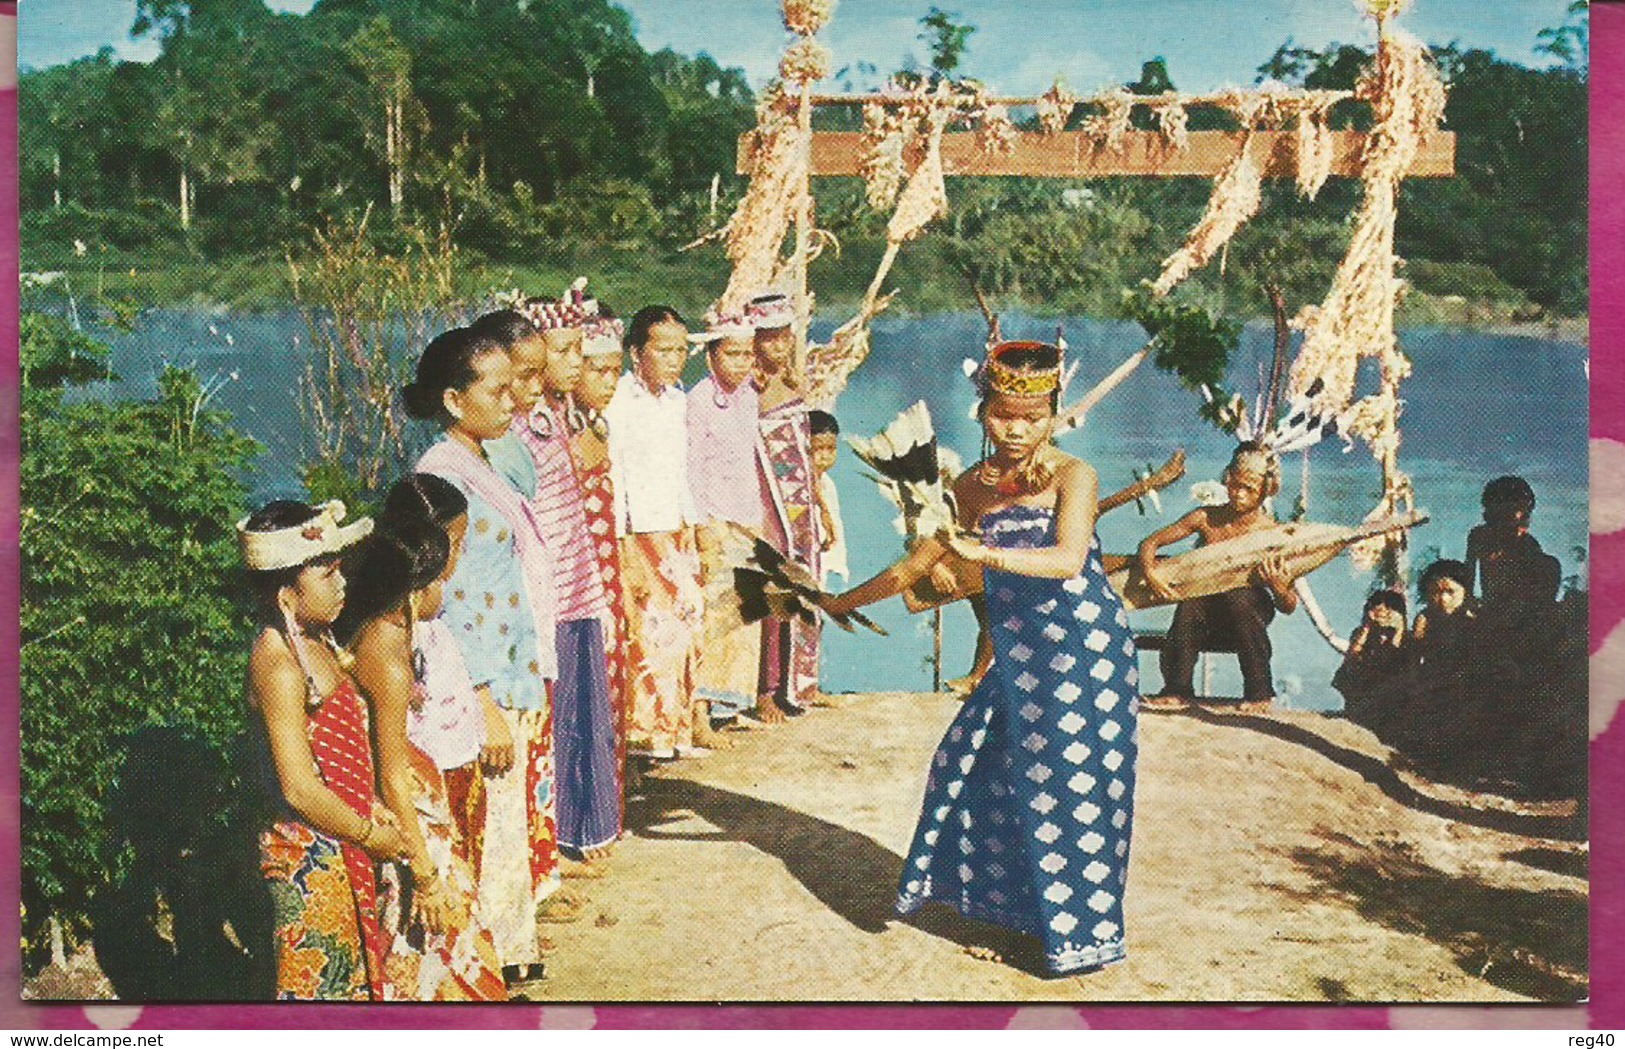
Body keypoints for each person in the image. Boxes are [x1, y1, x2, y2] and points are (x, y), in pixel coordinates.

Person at [820, 339, 1139, 977]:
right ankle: (1015, 918)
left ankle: (1072, 940)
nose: (1016, 429)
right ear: (982, 412)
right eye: (1002, 414)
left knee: (1067, 788)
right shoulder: (968, 487)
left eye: (1032, 416)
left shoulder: (1076, 476)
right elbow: (920, 564)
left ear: (1053, 414)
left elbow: (1068, 560)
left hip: (1083, 651)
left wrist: (983, 555)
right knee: (977, 766)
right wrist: (837, 601)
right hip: (1020, 653)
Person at [404, 325, 578, 990]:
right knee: (488, 820)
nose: (513, 402)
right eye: (497, 389)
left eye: (514, 387)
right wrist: (483, 703)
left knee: (506, 817)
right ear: (454, 398)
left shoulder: (481, 460)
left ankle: (511, 946)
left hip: (512, 671)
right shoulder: (440, 477)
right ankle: (491, 958)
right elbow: (447, 603)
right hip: (478, 684)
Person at [336, 516, 507, 1001]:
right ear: (415, 589)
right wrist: (428, 878)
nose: (445, 589)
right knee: (437, 949)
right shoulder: (388, 658)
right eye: (439, 579)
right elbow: (392, 776)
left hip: (418, 813)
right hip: (414, 824)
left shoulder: (378, 637)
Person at [240, 499, 405, 1000]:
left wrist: (372, 815)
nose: (342, 584)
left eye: (340, 571)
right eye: (327, 574)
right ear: (285, 593)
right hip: (308, 857)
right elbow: (298, 785)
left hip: (342, 839)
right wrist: (368, 834)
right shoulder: (280, 667)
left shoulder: (317, 643)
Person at [480, 296, 622, 863]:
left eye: (564, 355)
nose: (551, 375)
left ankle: (587, 828)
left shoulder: (555, 417)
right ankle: (559, 842)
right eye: (540, 364)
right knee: (553, 724)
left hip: (577, 586)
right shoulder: (507, 436)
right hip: (544, 598)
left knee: (586, 714)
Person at [603, 305, 707, 759]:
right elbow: (617, 474)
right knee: (647, 634)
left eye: (681, 350)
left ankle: (674, 728)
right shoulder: (618, 401)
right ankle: (645, 733)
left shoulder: (678, 401)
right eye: (662, 350)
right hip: (638, 533)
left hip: (675, 532)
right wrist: (623, 545)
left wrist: (695, 529)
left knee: (684, 630)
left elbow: (682, 470)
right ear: (635, 352)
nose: (674, 359)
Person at [379, 474, 488, 876]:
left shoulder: (431, 618)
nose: (456, 556)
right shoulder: (391, 635)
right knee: (444, 876)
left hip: (461, 758)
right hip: (429, 777)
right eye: (453, 544)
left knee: (468, 871)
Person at [1136, 443, 1300, 713]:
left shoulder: (1272, 533)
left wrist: (1279, 587)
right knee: (1192, 601)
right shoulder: (1206, 518)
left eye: (1248, 488)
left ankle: (1259, 693)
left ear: (1265, 490)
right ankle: (1177, 690)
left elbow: (1289, 605)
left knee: (1240, 597)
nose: (1238, 494)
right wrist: (1150, 574)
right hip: (1205, 614)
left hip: (1249, 614)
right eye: (1234, 485)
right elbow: (1150, 543)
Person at [687, 311, 766, 739]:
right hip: (714, 517)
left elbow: (747, 463)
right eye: (731, 354)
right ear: (712, 355)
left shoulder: (749, 397)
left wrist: (755, 519)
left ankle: (729, 704)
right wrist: (701, 523)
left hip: (744, 516)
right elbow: (694, 466)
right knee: (712, 613)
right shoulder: (699, 400)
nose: (740, 363)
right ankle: (699, 709)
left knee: (743, 612)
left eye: (747, 354)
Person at [569, 317, 633, 806]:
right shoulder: (564, 431)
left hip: (607, 567)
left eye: (615, 372)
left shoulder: (596, 423)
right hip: (578, 577)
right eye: (598, 371)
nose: (608, 383)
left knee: (615, 678)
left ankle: (607, 801)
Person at [751, 292, 822, 720]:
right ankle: (766, 687)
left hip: (801, 500)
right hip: (767, 497)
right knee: (771, 584)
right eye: (771, 339)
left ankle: (802, 684)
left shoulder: (798, 381)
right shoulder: (751, 388)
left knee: (805, 579)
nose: (780, 347)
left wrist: (821, 506)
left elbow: (807, 453)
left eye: (785, 338)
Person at [1465, 475, 1561, 617]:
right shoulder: (1479, 537)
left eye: (1525, 516)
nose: (1519, 529)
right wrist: (1468, 604)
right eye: (1509, 518)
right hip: (1490, 611)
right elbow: (1468, 577)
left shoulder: (1530, 547)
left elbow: (1535, 597)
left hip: (1519, 617)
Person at [1332, 588, 1411, 740]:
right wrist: (1366, 628)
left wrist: (1398, 629)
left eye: (1389, 609)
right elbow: (1350, 660)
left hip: (1392, 693)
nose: (1383, 613)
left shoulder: (1407, 639)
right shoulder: (1362, 633)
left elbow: (1393, 660)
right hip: (1365, 688)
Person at [808, 409, 849, 590]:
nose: (825, 455)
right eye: (817, 448)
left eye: (830, 448)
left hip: (828, 569)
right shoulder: (798, 485)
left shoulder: (829, 485)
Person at [1411, 558, 1478, 665]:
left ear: (1466, 593)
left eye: (1450, 592)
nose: (1443, 598)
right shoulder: (1424, 624)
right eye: (1435, 592)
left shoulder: (1478, 625)